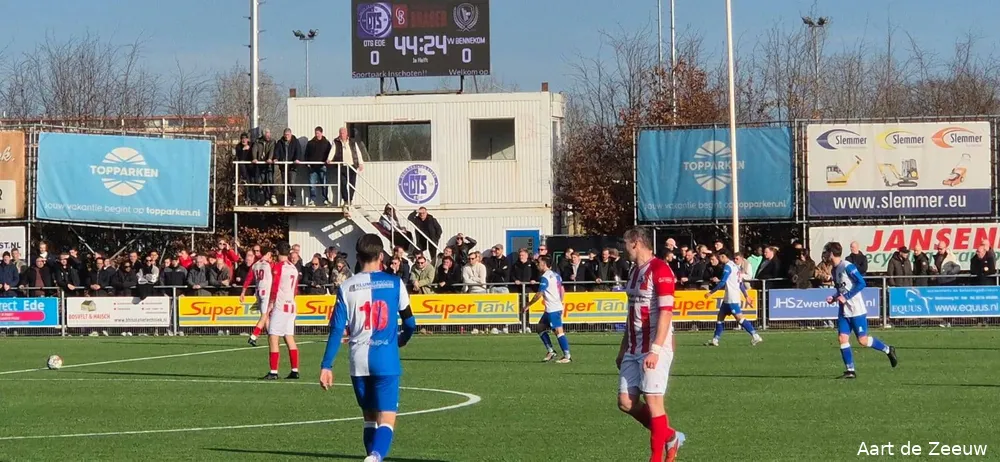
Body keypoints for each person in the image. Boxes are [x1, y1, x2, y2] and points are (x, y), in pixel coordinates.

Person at [320, 233, 417, 462]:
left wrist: (327, 365)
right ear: (381, 256)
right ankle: (375, 456)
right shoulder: (395, 283)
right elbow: (410, 323)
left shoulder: (346, 287)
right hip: (386, 358)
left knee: (369, 419)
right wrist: (403, 338)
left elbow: (336, 329)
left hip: (359, 361)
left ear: (357, 257)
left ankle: (372, 456)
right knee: (387, 418)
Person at [616, 227, 684, 462]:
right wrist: (623, 348)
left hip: (656, 346)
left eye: (625, 244)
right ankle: (671, 436)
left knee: (654, 402)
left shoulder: (660, 269)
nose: (623, 249)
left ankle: (656, 458)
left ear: (635, 243)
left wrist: (655, 350)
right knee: (626, 402)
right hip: (633, 346)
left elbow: (666, 312)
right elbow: (631, 313)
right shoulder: (634, 271)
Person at [824, 241, 897, 379]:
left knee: (862, 340)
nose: (825, 255)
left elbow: (861, 283)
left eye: (826, 252)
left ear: (832, 253)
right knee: (842, 338)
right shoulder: (834, 269)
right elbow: (842, 289)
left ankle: (888, 349)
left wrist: (846, 297)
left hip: (856, 310)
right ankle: (850, 370)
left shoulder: (847, 266)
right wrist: (834, 297)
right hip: (844, 311)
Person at [704, 251, 762, 347]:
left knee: (739, 318)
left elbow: (723, 282)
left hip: (732, 298)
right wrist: (746, 296)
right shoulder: (736, 267)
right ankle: (715, 339)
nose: (719, 259)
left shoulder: (728, 267)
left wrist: (711, 292)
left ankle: (755, 335)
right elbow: (740, 283)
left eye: (720, 257)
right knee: (720, 317)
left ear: (724, 256)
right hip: (728, 297)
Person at [521, 255, 571, 363]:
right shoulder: (556, 275)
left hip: (553, 309)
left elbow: (539, 294)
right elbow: (562, 289)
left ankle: (567, 356)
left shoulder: (545, 277)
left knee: (558, 332)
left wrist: (528, 305)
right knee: (540, 328)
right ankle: (551, 351)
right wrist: (560, 300)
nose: (537, 265)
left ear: (544, 264)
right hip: (552, 308)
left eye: (539, 263)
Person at [262, 243, 301, 380]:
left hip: (281, 305)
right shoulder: (293, 268)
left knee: (273, 337)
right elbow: (295, 288)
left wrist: (271, 303)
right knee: (289, 336)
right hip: (291, 305)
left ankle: (273, 372)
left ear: (277, 252)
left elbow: (275, 285)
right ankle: (295, 370)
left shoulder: (279, 267)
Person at [242, 251, 273, 347]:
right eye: (269, 255)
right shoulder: (269, 264)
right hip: (266, 292)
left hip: (258, 291)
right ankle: (253, 336)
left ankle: (271, 337)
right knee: (264, 315)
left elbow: (248, 278)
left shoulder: (255, 264)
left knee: (266, 316)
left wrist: (243, 292)